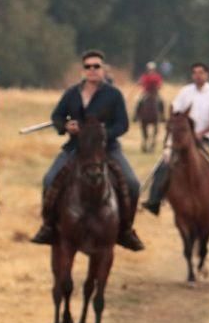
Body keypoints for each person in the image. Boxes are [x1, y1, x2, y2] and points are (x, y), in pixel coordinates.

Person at [31, 49, 144, 251]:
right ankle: (48, 226)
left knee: (133, 184)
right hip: (75, 148)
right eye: (88, 67)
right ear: (83, 70)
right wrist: (65, 127)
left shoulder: (114, 95)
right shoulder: (72, 94)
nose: (92, 70)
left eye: (96, 66)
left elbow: (123, 125)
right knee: (49, 180)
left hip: (107, 149)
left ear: (103, 69)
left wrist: (102, 135)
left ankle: (126, 230)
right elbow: (57, 117)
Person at [142, 62, 209, 219]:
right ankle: (154, 201)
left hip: (207, 139)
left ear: (207, 75)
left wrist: (202, 133)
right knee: (163, 164)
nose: (197, 75)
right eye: (194, 73)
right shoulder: (185, 92)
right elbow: (175, 111)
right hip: (184, 139)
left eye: (201, 72)